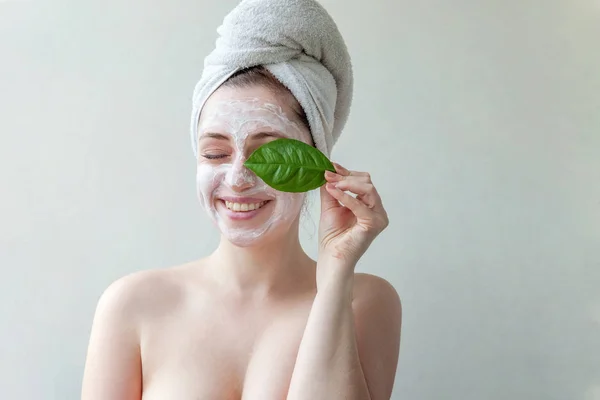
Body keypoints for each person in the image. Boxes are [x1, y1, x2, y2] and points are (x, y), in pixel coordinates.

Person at [82, 1, 401, 399]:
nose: (236, 179)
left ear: (312, 159)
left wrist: (334, 278)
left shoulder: (363, 301)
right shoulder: (132, 305)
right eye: (215, 154)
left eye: (268, 154)